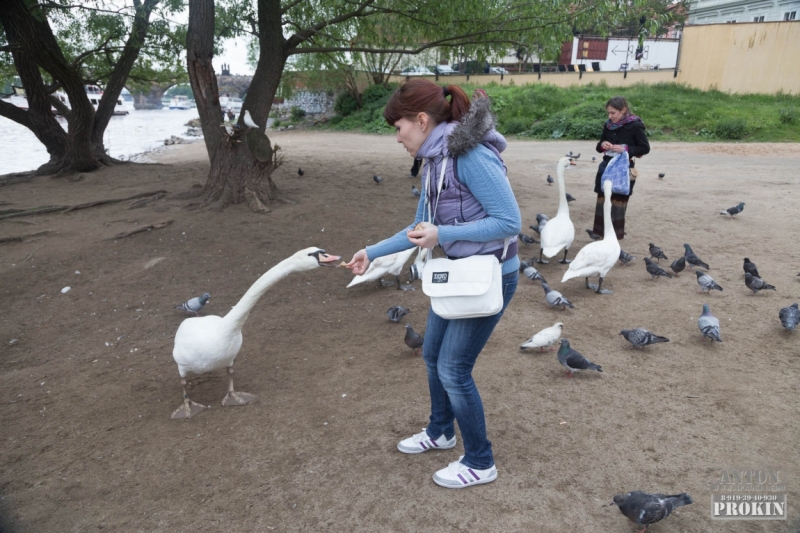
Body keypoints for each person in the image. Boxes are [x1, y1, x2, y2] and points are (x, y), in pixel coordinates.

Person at [346, 79, 521, 489]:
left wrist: (442, 234)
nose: (397, 137)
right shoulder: (434, 161)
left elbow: (510, 222)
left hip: (489, 278)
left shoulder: (471, 156)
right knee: (432, 356)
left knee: (454, 369)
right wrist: (371, 252)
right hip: (459, 275)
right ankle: (441, 432)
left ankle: (480, 461)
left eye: (398, 127)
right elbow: (419, 226)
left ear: (421, 120)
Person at [593, 96, 650, 239]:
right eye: (608, 113)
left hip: (624, 168)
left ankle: (614, 238)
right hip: (606, 167)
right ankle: (600, 235)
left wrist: (625, 149)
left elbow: (644, 148)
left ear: (623, 110)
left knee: (618, 204)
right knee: (603, 201)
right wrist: (603, 145)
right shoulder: (608, 125)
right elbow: (598, 147)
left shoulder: (635, 125)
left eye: (613, 113)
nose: (610, 116)